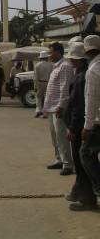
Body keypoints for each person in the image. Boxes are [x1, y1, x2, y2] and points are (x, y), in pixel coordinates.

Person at [63, 41, 97, 211]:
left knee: (81, 161)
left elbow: (79, 104)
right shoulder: (84, 72)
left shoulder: (82, 76)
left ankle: (87, 198)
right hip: (83, 123)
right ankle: (78, 191)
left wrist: (72, 127)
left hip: (80, 126)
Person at [43, 42, 74, 175]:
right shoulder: (56, 67)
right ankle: (59, 159)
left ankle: (67, 164)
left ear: (58, 52)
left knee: (61, 136)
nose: (49, 55)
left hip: (58, 108)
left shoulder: (65, 66)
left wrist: (61, 106)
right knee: (54, 136)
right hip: (51, 107)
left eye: (51, 52)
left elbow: (64, 88)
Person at [80, 35, 100, 201]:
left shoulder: (93, 71)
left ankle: (98, 187)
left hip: (97, 123)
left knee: (85, 154)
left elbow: (91, 100)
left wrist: (87, 126)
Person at [34, 51, 53, 118]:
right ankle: (45, 113)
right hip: (48, 83)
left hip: (40, 83)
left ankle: (38, 110)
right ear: (46, 57)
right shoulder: (51, 65)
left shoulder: (38, 65)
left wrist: (35, 86)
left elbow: (36, 77)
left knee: (38, 97)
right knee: (46, 98)